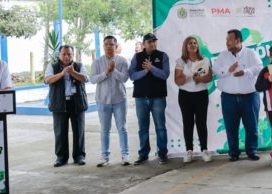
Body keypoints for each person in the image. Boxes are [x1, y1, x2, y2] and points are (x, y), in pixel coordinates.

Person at [213, 29, 262, 161]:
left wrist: (245, 71)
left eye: (229, 39)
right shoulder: (223, 56)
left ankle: (252, 151)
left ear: (238, 40)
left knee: (252, 126)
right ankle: (233, 152)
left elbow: (259, 67)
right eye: (227, 39)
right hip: (229, 97)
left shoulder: (250, 53)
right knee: (231, 126)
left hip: (250, 97)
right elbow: (216, 71)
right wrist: (228, 70)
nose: (227, 42)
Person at [44, 45, 89, 167]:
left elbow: (85, 78)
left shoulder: (79, 66)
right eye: (64, 54)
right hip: (59, 103)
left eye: (69, 54)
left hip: (76, 103)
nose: (66, 56)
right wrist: (62, 73)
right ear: (59, 55)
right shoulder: (52, 66)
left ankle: (79, 156)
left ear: (73, 55)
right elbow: (47, 79)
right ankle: (61, 158)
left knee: (79, 131)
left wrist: (73, 72)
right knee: (60, 132)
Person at [130, 33, 170, 165]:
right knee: (143, 128)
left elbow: (165, 75)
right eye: (149, 42)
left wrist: (151, 68)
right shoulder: (137, 57)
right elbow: (132, 75)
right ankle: (143, 154)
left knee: (160, 127)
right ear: (144, 44)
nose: (152, 44)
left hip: (158, 97)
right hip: (141, 97)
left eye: (154, 41)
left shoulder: (163, 56)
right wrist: (145, 72)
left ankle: (162, 153)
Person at [90, 35, 130, 167]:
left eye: (111, 44)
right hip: (102, 100)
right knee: (105, 129)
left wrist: (114, 71)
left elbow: (124, 78)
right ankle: (104, 156)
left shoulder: (123, 61)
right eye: (106, 44)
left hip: (119, 99)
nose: (109, 47)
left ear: (116, 46)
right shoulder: (97, 62)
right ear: (103, 46)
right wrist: (106, 72)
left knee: (122, 128)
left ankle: (125, 155)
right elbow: (93, 79)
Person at [174, 36, 213, 163]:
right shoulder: (181, 61)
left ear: (197, 46)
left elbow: (209, 78)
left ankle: (204, 150)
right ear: (186, 46)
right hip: (185, 95)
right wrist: (187, 77)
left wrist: (199, 79)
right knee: (188, 123)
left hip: (201, 94)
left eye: (195, 43)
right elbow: (177, 80)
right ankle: (189, 151)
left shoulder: (205, 60)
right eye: (190, 43)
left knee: (201, 122)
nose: (193, 45)